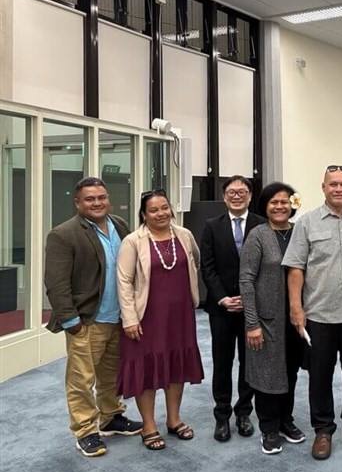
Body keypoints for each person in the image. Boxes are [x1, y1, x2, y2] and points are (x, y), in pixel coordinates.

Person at [283, 165, 342, 460]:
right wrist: (296, 308)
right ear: (323, 187)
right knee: (320, 376)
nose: (338, 189)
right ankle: (323, 430)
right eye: (333, 184)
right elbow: (296, 268)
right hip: (320, 316)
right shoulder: (307, 223)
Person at [44, 177, 143, 457]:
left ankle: (111, 416)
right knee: (81, 380)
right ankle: (86, 430)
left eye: (101, 197)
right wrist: (71, 322)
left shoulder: (120, 225)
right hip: (87, 321)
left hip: (119, 319)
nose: (97, 203)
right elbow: (56, 283)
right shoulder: (63, 234)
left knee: (111, 374)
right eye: (90, 199)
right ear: (77, 202)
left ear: (108, 199)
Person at [116, 189, 204, 450]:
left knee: (176, 366)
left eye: (164, 207)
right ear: (144, 214)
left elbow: (195, 262)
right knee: (147, 369)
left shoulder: (185, 236)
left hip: (180, 316)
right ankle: (149, 425)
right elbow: (124, 281)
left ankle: (174, 420)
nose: (161, 213)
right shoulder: (133, 241)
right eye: (153, 210)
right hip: (146, 317)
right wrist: (129, 318)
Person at [239, 181, 307, 455]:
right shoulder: (258, 235)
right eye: (274, 202)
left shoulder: (300, 233)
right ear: (265, 206)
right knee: (267, 375)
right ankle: (269, 427)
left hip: (297, 318)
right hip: (267, 320)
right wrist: (252, 323)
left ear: (293, 205)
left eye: (285, 202)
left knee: (290, 371)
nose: (280, 206)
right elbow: (246, 280)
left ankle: (285, 421)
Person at [200, 175, 265, 442]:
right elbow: (208, 266)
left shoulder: (262, 225)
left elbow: (267, 267)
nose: (237, 195)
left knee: (250, 363)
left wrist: (251, 300)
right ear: (224, 196)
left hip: (254, 309)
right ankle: (222, 415)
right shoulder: (211, 226)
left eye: (242, 191)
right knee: (223, 363)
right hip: (222, 309)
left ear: (250, 195)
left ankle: (243, 413)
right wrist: (221, 298)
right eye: (231, 191)